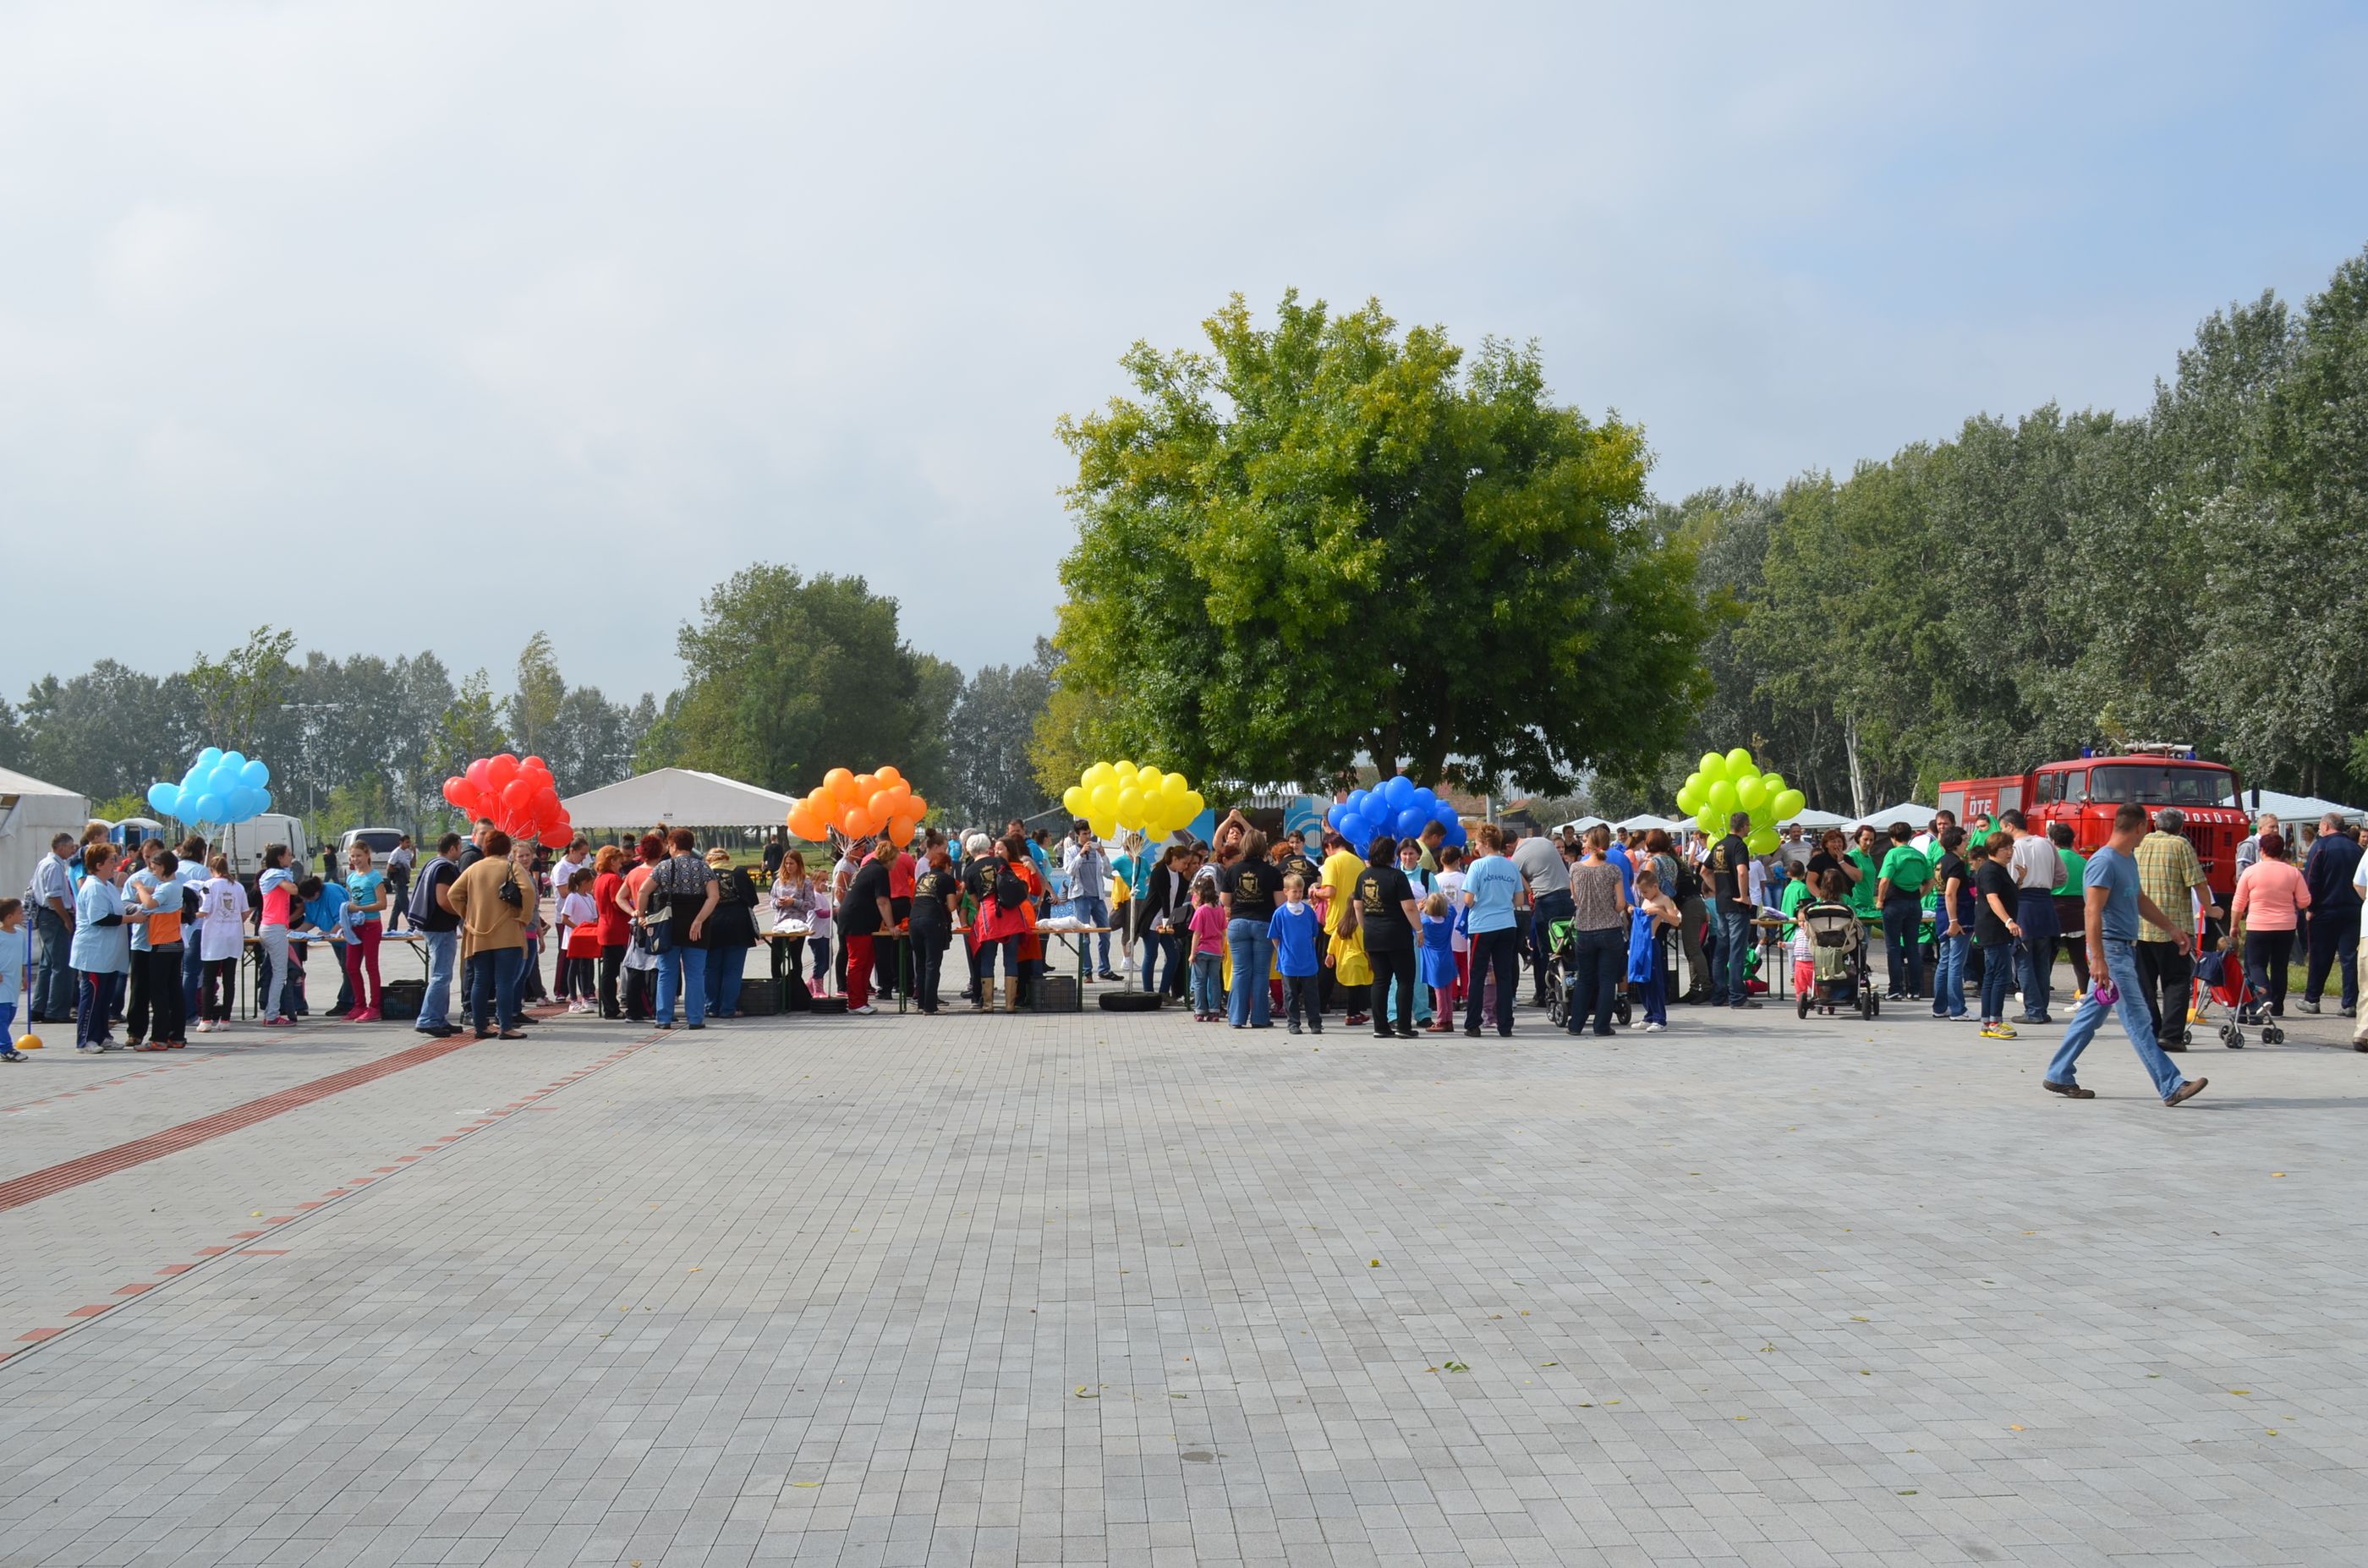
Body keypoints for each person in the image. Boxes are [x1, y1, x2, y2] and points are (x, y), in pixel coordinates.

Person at [2042, 803, 2207, 1106]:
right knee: (2138, 1018)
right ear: (2140, 827)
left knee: (2090, 1017)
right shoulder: (2104, 862)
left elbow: (2139, 899)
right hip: (2112, 951)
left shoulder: (2127, 858)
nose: (2147, 833)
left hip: (2124, 949)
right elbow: (2092, 911)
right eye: (2147, 828)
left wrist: (2171, 929)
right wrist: (2098, 959)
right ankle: (2171, 1084)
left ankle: (2059, 1073)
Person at [2133, 809, 2213, 1050]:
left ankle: (2151, 1030)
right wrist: (2211, 909)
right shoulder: (2180, 845)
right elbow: (2198, 882)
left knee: (2145, 984)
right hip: (2173, 926)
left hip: (2140, 926)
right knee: (2176, 981)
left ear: (2155, 825)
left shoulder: (2140, 843)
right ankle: (2170, 1035)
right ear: (2181, 828)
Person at [447, 830, 535, 1039]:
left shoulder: (474, 868)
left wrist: (468, 915)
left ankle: (480, 1027)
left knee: (480, 981)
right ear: (507, 848)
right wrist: (524, 917)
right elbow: (528, 891)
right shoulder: (511, 866)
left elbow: (453, 894)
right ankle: (506, 1027)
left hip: (478, 934)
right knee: (504, 982)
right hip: (508, 932)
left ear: (486, 847)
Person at [639, 829, 721, 1028]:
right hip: (697, 929)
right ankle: (695, 1019)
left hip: (668, 927)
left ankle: (664, 1018)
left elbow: (643, 891)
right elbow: (714, 896)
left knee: (667, 972)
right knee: (695, 974)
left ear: (673, 845)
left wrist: (641, 915)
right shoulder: (704, 867)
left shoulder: (664, 866)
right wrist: (699, 920)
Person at [2231, 831, 2309, 1025]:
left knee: (2256, 964)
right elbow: (2305, 900)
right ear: (2282, 851)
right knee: (2280, 966)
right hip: (2286, 925)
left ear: (2262, 850)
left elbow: (2239, 903)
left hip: (2259, 924)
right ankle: (2278, 1007)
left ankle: (2263, 998)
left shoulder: (2251, 871)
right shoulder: (2293, 872)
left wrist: (2234, 925)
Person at [1455, 823, 1526, 1037]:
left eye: (1477, 843)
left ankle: (1473, 1023)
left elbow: (1468, 899)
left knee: (1477, 975)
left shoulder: (1477, 866)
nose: (1476, 847)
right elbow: (1519, 900)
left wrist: (1483, 901)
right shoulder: (1511, 865)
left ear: (1485, 843)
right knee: (1504, 975)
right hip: (1507, 924)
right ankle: (1505, 1024)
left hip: (1482, 925)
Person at [1348, 835, 1420, 1038]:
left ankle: (1380, 1026)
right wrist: (1419, 930)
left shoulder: (1363, 876)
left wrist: (1366, 928)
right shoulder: (1397, 876)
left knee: (1380, 980)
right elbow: (1409, 907)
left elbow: (1357, 906)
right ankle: (1403, 1026)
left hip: (1373, 934)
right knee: (1405, 981)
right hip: (1397, 935)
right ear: (1391, 855)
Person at [2001, 810, 2064, 1023]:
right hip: (2045, 904)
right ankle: (2041, 1009)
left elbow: (2008, 881)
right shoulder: (2046, 843)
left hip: (2022, 904)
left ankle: (2034, 1011)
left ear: (2010, 826)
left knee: (2023, 959)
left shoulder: (2012, 849)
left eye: (2002, 828)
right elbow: (2062, 876)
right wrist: (2044, 885)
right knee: (2042, 961)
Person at [1565, 825, 1629, 1037]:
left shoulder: (1576, 868)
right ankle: (1601, 1026)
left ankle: (1576, 1024)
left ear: (1589, 844)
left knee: (1585, 978)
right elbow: (1621, 903)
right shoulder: (1613, 870)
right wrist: (1610, 909)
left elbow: (1575, 899)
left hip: (1585, 929)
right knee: (1607, 980)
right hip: (1610, 929)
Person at [123, 847, 189, 1050]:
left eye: (155, 867)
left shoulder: (167, 888)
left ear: (163, 867)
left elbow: (150, 904)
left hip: (162, 943)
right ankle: (176, 1036)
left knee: (158, 992)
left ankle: (158, 1038)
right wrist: (146, 889)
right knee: (173, 989)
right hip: (174, 942)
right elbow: (156, 893)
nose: (153, 871)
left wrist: (139, 886)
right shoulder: (175, 885)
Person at [1219, 829, 1281, 1029]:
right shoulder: (1272, 872)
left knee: (1240, 971)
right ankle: (1260, 1018)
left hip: (1238, 923)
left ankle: (1236, 1018)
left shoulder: (1233, 870)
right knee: (1261, 973)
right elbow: (1280, 903)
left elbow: (1224, 900)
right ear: (1263, 847)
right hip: (1263, 924)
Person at [2301, 812, 2362, 1017]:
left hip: (2325, 910)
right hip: (2353, 909)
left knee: (2320, 955)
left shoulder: (2321, 847)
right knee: (2349, 958)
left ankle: (2312, 999)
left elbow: (2312, 879)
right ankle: (2349, 1003)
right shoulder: (2356, 849)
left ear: (2326, 826)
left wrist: (2310, 907)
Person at [411, 832, 466, 1038]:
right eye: (459, 847)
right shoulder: (445, 868)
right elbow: (443, 900)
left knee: (442, 974)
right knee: (441, 975)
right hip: (440, 927)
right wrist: (464, 913)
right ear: (453, 848)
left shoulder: (432, 863)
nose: (461, 851)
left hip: (432, 925)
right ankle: (428, 1019)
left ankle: (439, 1018)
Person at [1707, 812, 1759, 1010]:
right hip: (1737, 905)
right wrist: (1744, 895)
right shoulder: (1739, 846)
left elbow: (1704, 871)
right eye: (1748, 825)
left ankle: (1719, 994)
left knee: (1721, 950)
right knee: (1737, 951)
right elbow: (1742, 871)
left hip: (1722, 903)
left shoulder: (1718, 845)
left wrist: (1719, 890)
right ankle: (1737, 996)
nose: (1749, 828)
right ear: (1744, 826)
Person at [702, 848, 760, 1020]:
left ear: (709, 860)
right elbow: (752, 900)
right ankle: (728, 1009)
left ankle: (711, 1007)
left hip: (712, 923)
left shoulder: (705, 874)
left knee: (711, 968)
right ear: (727, 858)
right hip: (738, 925)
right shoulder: (739, 872)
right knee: (733, 970)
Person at [1875, 822, 1931, 1001]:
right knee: (1913, 947)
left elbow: (1885, 880)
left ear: (1893, 838)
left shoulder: (1893, 854)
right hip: (1914, 902)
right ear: (1910, 836)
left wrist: (1880, 900)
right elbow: (1929, 882)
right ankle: (1915, 989)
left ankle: (1895, 989)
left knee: (1893, 948)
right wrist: (1920, 895)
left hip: (1894, 903)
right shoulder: (1919, 855)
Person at [1510, 826, 1565, 1006]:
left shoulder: (1516, 858)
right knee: (1566, 945)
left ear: (1509, 846)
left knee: (1543, 949)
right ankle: (1570, 988)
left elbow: (1522, 888)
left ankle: (1543, 994)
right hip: (1567, 897)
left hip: (1547, 900)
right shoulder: (1543, 841)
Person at [1974, 835, 2022, 1039]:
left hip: (1995, 929)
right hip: (1994, 929)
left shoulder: (1999, 869)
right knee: (2001, 976)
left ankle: (1988, 1022)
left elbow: (2006, 895)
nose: (2010, 852)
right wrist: (2008, 921)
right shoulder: (1990, 870)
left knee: (1992, 975)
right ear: (1993, 850)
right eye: (2005, 849)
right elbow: (1993, 899)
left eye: (2011, 848)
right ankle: (1995, 1022)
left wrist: (2020, 881)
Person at [195, 854, 248, 1033]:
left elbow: (204, 910)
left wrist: (189, 915)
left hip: (214, 938)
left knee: (209, 980)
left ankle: (206, 1019)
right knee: (229, 980)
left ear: (212, 869)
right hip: (233, 937)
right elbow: (245, 912)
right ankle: (225, 1019)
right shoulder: (238, 886)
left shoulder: (208, 885)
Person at [1269, 874, 1326, 1035]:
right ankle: (1293, 1023)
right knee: (1290, 994)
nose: (1298, 894)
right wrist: (1282, 951)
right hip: (1288, 960)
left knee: (1311, 993)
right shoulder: (1280, 913)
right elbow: (1274, 936)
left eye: (1300, 891)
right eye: (1294, 891)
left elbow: (1313, 934)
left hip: (1307, 960)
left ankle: (1315, 1022)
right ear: (1285, 892)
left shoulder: (1308, 911)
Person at [1062, 822, 1119, 981]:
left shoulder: (1096, 852)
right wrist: (1081, 854)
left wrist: (1104, 855)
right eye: (1084, 834)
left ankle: (1104, 969)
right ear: (1077, 835)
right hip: (1082, 897)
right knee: (1084, 936)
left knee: (1105, 933)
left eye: (1089, 833)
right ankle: (1087, 971)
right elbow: (1069, 870)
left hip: (1098, 897)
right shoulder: (1071, 851)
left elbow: (1107, 872)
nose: (1088, 837)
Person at [908, 842, 961, 1013]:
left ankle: (921, 1003)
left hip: (914, 920)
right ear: (946, 865)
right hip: (932, 922)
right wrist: (960, 894)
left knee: (921, 965)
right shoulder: (947, 879)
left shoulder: (923, 877)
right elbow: (952, 907)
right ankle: (930, 1006)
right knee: (932, 964)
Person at [1628, 865, 1680, 1033]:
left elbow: (1675, 921)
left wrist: (1659, 911)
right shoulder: (1646, 899)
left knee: (1654, 981)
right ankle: (1649, 1014)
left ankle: (1660, 1018)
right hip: (1639, 943)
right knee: (1641, 980)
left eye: (1645, 892)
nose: (1644, 895)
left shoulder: (1664, 899)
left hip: (1651, 943)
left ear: (1655, 887)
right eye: (1641, 892)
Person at [618, 835, 664, 1022]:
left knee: (636, 967)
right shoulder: (661, 872)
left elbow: (620, 897)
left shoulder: (634, 873)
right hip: (659, 922)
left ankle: (633, 1010)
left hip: (638, 923)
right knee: (656, 967)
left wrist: (633, 912)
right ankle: (656, 1009)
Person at [253, 844, 299, 1028]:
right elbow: (293, 889)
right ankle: (272, 1015)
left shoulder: (273, 874)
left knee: (276, 971)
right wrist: (290, 877)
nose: (291, 858)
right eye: (288, 855)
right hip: (274, 928)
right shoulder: (275, 875)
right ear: (280, 858)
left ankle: (272, 1012)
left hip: (271, 926)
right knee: (280, 973)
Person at [342, 843, 388, 1022]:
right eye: (353, 856)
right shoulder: (351, 878)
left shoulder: (375, 877)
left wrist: (359, 908)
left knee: (371, 966)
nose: (355, 859)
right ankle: (359, 1005)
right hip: (355, 927)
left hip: (371, 926)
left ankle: (375, 1007)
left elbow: (382, 904)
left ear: (368, 855)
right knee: (351, 966)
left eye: (359, 855)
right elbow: (350, 900)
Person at [1930, 827, 1972, 1021]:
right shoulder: (1955, 863)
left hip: (1942, 913)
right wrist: (1954, 921)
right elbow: (1950, 893)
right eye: (1965, 840)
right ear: (1955, 842)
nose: (1967, 843)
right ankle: (1958, 1009)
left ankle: (1940, 1006)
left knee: (1945, 962)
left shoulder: (1941, 861)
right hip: (1956, 915)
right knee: (1955, 963)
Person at [2047, 823, 2091, 1001]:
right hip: (2078, 911)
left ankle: (2040, 992)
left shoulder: (2053, 858)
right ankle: (2085, 994)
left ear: (2053, 841)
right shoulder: (2082, 861)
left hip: (2056, 909)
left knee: (2048, 955)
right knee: (2079, 958)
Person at [559, 869, 602, 1013]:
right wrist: (579, 929)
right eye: (591, 882)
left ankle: (585, 996)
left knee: (586, 968)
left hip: (586, 938)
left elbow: (594, 918)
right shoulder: (572, 897)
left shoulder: (590, 898)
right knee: (574, 968)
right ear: (585, 882)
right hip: (575, 938)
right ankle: (573, 1000)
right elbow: (565, 918)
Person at [1187, 882, 1226, 1021]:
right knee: (1214, 981)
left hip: (1202, 950)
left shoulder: (1201, 911)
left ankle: (1200, 1011)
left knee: (1199, 981)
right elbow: (1223, 932)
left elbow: (1197, 934)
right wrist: (1222, 950)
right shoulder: (1220, 910)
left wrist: (1192, 953)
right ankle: (1214, 1011)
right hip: (1216, 950)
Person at [0, 898, 25, 1060]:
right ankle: (6, 1048)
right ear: (9, 916)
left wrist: (24, 976)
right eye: (20, 913)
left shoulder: (20, 934)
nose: (23, 915)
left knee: (10, 1014)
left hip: (14, 982)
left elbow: (23, 958)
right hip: (2, 982)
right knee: (2, 1015)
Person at [385, 835, 415, 933]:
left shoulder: (408, 852)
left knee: (397, 907)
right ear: (401, 842)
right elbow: (389, 868)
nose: (408, 844)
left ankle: (391, 928)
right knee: (406, 905)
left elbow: (413, 865)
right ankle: (413, 926)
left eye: (409, 842)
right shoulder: (396, 853)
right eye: (406, 842)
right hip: (398, 882)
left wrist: (414, 852)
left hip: (405, 881)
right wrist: (399, 871)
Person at [2235, 813, 2280, 877]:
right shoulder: (2249, 845)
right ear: (2260, 828)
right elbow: (2241, 875)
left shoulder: (2273, 845)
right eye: (2272, 827)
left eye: (2277, 827)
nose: (2276, 830)